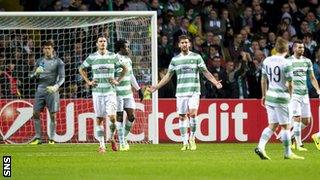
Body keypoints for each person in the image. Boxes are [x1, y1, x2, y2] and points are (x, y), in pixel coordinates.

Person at [150, 35, 222, 151]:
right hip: (181, 92)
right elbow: (168, 75)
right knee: (182, 116)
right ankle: (184, 142)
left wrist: (215, 82)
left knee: (193, 114)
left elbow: (205, 72)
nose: (184, 44)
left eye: (186, 42)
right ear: (179, 45)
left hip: (194, 90)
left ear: (189, 44)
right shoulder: (175, 60)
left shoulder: (196, 57)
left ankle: (192, 138)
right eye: (182, 42)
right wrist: (157, 87)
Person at [254, 37, 304, 160]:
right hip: (282, 98)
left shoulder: (267, 61)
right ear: (287, 49)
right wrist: (291, 95)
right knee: (286, 126)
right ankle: (288, 153)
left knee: (272, 125)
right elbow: (290, 83)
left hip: (270, 97)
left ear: (275, 49)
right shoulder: (287, 63)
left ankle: (260, 146)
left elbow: (263, 79)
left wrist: (264, 95)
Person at [79, 36, 127, 153]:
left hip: (110, 92)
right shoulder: (92, 57)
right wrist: (88, 81)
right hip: (97, 93)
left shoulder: (113, 56)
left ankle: (111, 137)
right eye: (100, 41)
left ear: (107, 43)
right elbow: (81, 68)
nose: (102, 43)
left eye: (104, 41)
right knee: (99, 119)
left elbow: (124, 68)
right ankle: (102, 145)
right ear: (96, 44)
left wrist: (117, 81)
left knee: (112, 118)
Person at [29, 41, 65, 145]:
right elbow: (31, 76)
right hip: (40, 89)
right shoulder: (39, 61)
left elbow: (62, 77)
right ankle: (38, 138)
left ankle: (52, 138)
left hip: (52, 91)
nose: (47, 50)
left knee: (53, 115)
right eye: (45, 48)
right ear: (43, 49)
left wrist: (56, 86)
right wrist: (35, 73)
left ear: (52, 49)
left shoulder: (59, 62)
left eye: (49, 48)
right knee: (35, 113)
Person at [288, 40, 320, 151]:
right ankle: (299, 144)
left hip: (304, 94)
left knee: (306, 121)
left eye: (303, 47)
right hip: (294, 94)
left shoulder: (307, 61)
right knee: (297, 118)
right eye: (299, 47)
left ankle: (291, 136)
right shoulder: (288, 62)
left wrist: (318, 90)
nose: (302, 49)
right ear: (294, 49)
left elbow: (312, 77)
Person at [114, 39, 143, 151]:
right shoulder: (114, 59)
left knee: (131, 116)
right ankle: (122, 143)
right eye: (126, 47)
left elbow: (131, 76)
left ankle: (123, 138)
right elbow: (111, 76)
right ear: (121, 48)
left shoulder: (128, 60)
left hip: (128, 93)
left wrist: (138, 89)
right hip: (118, 93)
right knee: (120, 117)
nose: (128, 49)